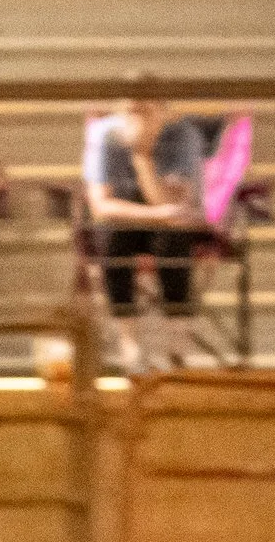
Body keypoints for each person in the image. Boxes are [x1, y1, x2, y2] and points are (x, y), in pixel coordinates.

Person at [83, 92, 208, 373]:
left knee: (172, 241)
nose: (135, 118)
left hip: (167, 223)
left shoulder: (181, 136)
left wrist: (142, 156)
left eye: (145, 111)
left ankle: (176, 344)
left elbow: (169, 203)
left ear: (162, 112)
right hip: (126, 221)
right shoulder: (105, 135)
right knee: (113, 241)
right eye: (131, 111)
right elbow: (100, 206)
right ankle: (129, 343)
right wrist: (154, 215)